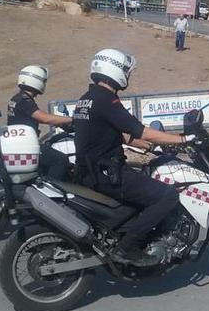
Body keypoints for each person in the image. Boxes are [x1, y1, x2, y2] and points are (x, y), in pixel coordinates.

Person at [72, 49, 193, 265]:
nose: (129, 75)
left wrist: (149, 146)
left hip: (89, 171)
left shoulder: (87, 99)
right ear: (115, 69)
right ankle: (127, 248)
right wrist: (183, 140)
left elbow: (116, 135)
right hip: (107, 174)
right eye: (127, 70)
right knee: (167, 196)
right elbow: (140, 130)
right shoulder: (106, 99)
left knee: (144, 182)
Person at [7, 65, 73, 181]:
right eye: (43, 81)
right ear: (36, 81)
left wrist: (60, 123)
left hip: (19, 144)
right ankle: (53, 193)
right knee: (60, 161)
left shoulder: (17, 98)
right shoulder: (24, 101)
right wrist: (72, 119)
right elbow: (44, 118)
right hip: (25, 146)